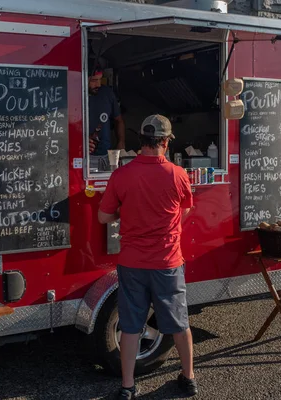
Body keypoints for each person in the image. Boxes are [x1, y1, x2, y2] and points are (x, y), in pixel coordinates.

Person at [98, 114, 197, 399]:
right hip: (168, 262)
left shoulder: (122, 175)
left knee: (130, 326)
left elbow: (104, 216)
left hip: (132, 263)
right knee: (179, 323)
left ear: (140, 141)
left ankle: (127, 387)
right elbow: (185, 209)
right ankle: (188, 378)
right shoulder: (178, 174)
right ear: (165, 142)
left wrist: (124, 210)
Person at [88, 67, 125, 167]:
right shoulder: (74, 95)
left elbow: (118, 120)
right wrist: (80, 142)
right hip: (82, 158)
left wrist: (121, 142)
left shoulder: (107, 93)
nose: (98, 84)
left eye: (100, 79)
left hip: (106, 156)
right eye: (94, 80)